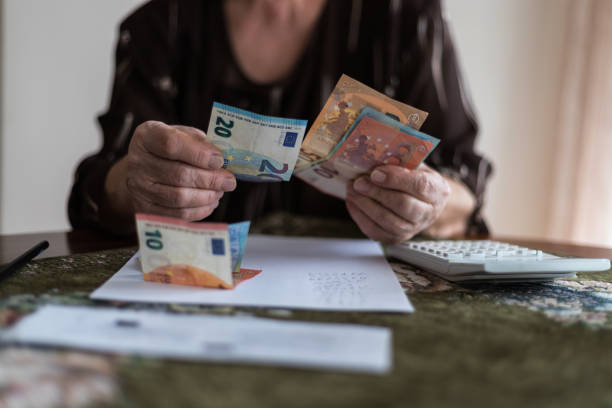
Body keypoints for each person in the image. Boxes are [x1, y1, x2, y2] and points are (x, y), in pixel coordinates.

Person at [68, 0, 492, 243]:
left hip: (361, 303)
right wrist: (135, 183)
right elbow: (100, 189)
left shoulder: (405, 20)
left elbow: (465, 184)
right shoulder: (160, 25)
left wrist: (428, 205)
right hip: (195, 300)